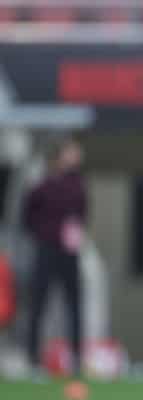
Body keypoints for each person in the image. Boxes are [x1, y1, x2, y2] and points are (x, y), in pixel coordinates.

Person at [22, 137, 87, 378]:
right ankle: (33, 360)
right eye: (72, 152)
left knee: (75, 304)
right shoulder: (42, 184)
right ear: (60, 156)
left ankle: (76, 359)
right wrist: (42, 235)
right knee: (39, 303)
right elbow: (27, 215)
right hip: (46, 249)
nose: (77, 157)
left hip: (69, 252)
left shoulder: (77, 183)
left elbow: (82, 213)